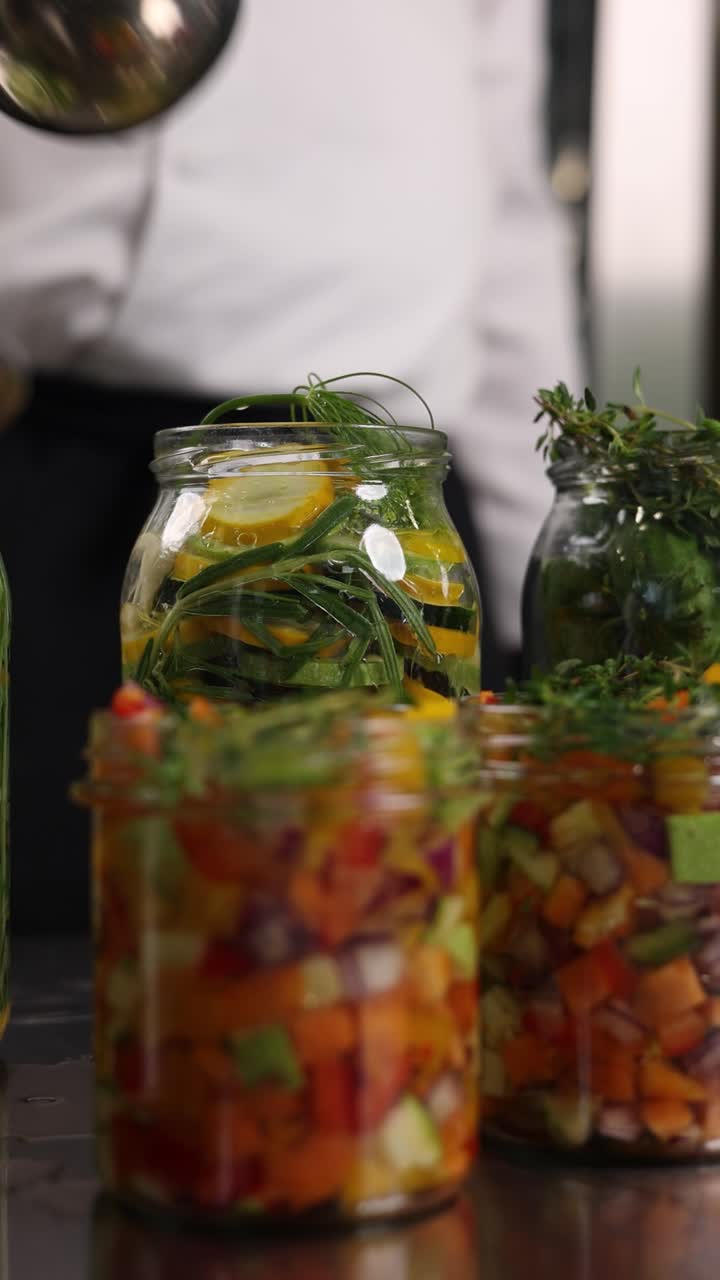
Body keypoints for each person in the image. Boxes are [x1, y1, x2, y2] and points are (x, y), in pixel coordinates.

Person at [0, 0, 582, 932]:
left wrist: (536, 592)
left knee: (393, 915)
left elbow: (507, 213)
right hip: (82, 489)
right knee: (79, 925)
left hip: (395, 513)